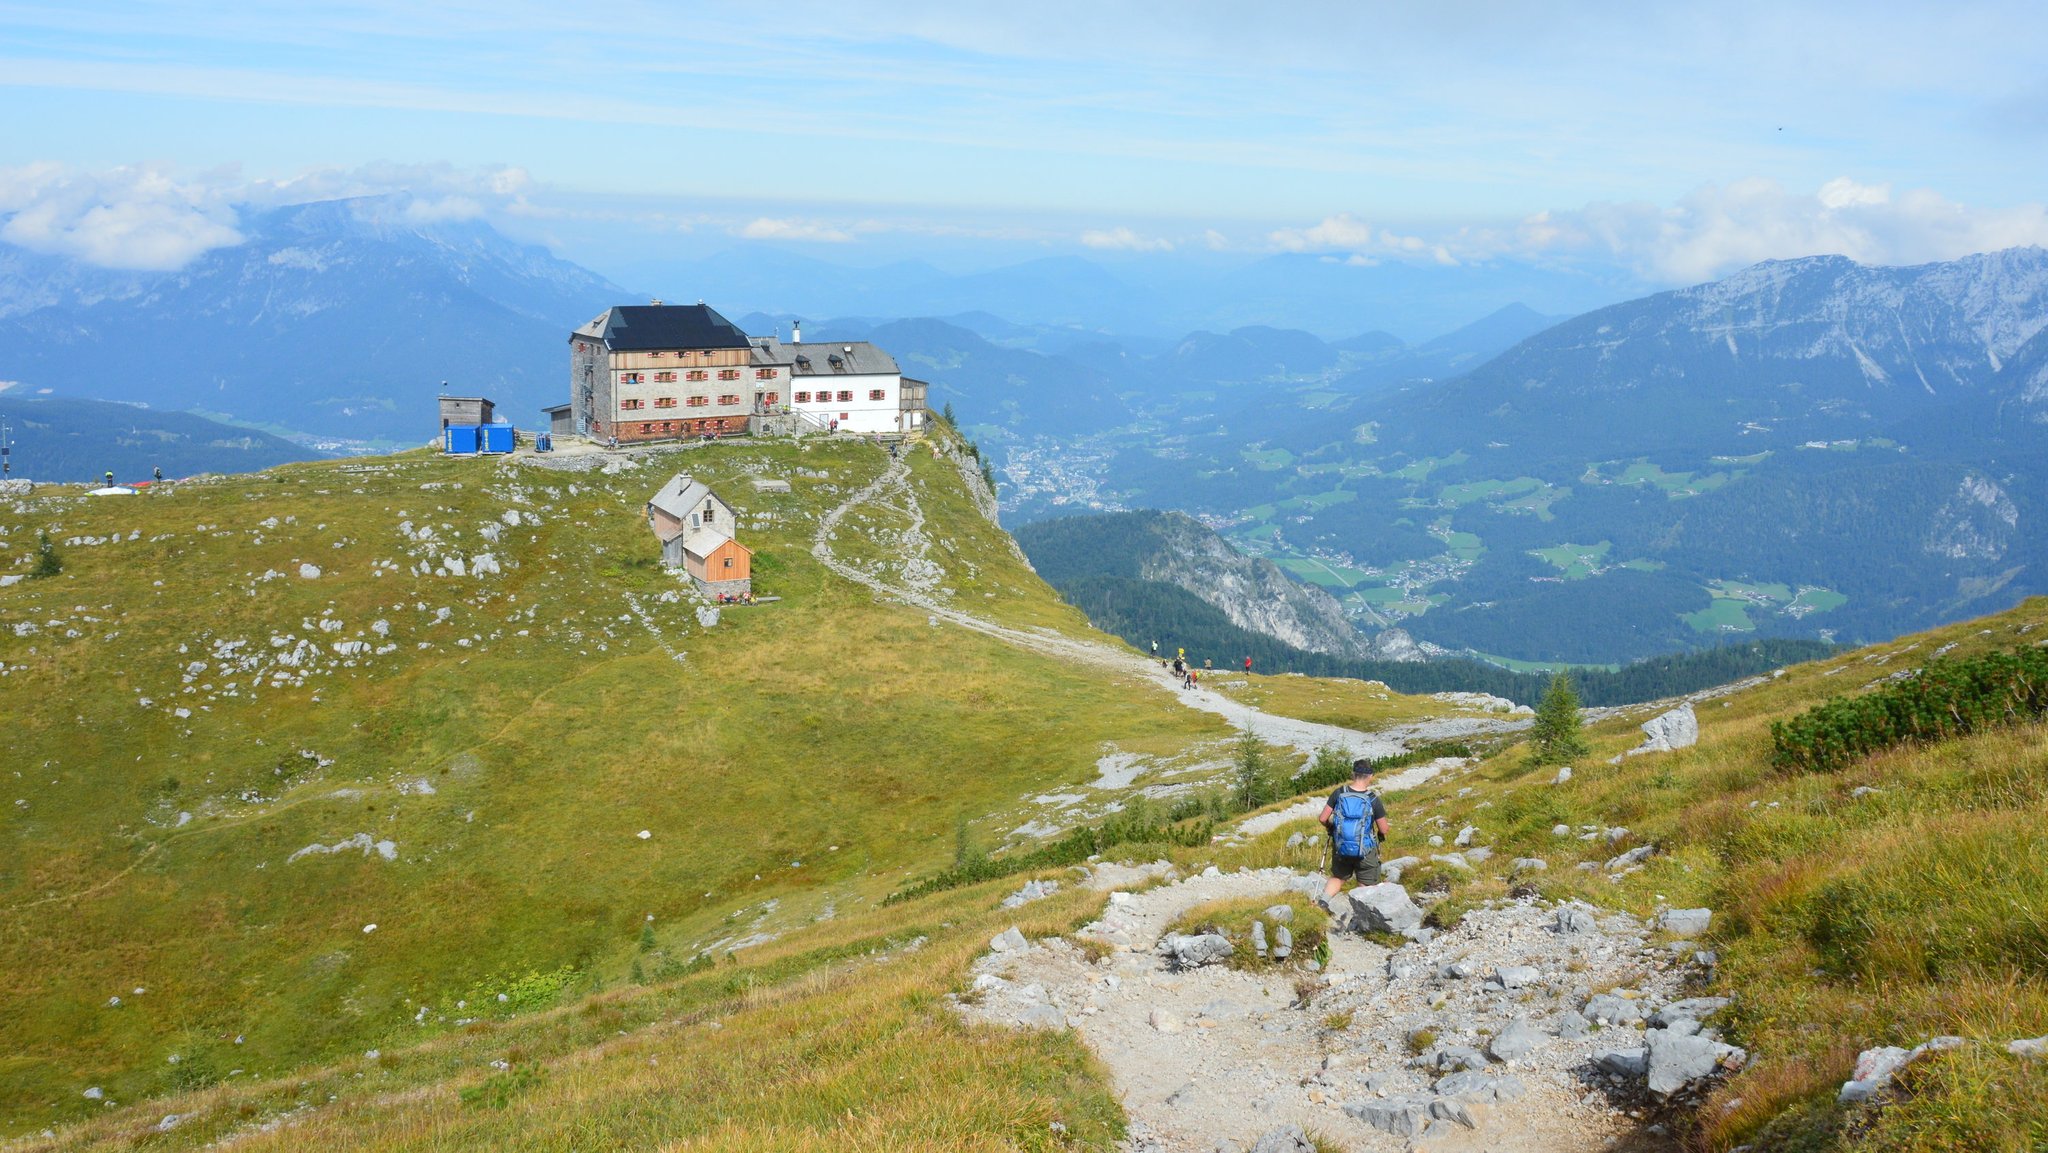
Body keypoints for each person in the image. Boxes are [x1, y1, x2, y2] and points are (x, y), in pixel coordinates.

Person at [1319, 759, 1390, 899]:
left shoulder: (1339, 793)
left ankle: (1323, 902)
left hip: (1341, 846)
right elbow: (1384, 829)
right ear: (1370, 776)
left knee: (1338, 877)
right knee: (1366, 882)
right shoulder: (1372, 798)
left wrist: (1331, 827)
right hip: (1365, 849)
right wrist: (1380, 835)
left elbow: (1322, 818)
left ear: (1353, 774)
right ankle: (1361, 911)